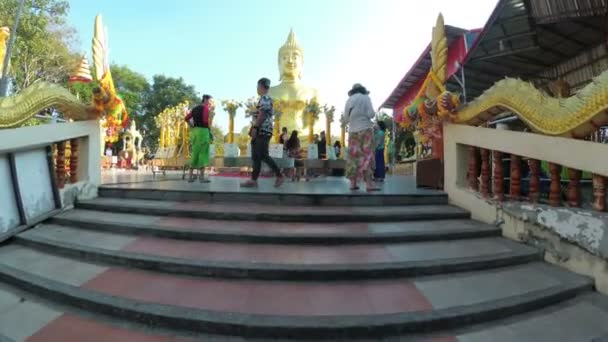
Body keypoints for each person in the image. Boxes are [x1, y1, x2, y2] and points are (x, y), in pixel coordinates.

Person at [241, 78, 284, 188]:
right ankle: (253, 180)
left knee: (263, 155)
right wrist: (252, 128)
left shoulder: (265, 98)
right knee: (256, 156)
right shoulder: (263, 99)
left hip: (263, 131)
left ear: (261, 86)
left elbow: (263, 114)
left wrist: (255, 127)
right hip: (260, 129)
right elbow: (258, 115)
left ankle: (279, 175)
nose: (257, 88)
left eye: (257, 86)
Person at [342, 83, 379, 192]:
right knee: (367, 154)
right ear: (362, 89)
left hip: (353, 131)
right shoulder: (366, 98)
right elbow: (371, 114)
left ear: (352, 91)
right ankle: (369, 184)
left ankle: (353, 184)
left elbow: (346, 118)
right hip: (366, 129)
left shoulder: (349, 100)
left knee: (354, 156)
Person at [184, 94, 213, 183]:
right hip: (203, 132)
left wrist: (192, 125)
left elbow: (186, 118)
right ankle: (201, 177)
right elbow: (205, 121)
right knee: (203, 153)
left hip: (195, 132)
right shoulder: (205, 108)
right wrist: (209, 124)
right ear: (205, 100)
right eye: (210, 101)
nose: (211, 103)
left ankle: (190, 177)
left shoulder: (195, 108)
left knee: (195, 153)